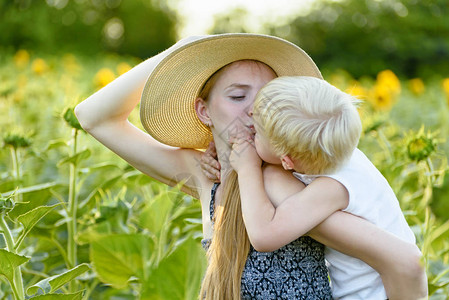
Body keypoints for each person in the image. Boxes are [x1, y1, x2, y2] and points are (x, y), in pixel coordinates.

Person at [74, 34, 426, 300]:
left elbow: (404, 263)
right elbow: (93, 118)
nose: (256, 112)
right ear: (203, 111)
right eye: (238, 96)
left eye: (268, 98)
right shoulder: (205, 172)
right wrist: (180, 52)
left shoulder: (284, 184)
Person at [228, 75, 423, 299]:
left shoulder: (332, 188)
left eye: (257, 133)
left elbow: (264, 235)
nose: (250, 115)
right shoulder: (335, 156)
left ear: (287, 162)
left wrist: (247, 169)